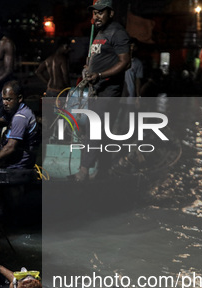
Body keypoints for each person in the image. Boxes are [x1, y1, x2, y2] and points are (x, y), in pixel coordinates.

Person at [71, 0, 130, 181]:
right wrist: (88, 68)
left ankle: (83, 171)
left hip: (108, 92)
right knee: (100, 132)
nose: (96, 16)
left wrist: (100, 74)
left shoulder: (118, 33)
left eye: (100, 12)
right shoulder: (99, 34)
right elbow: (96, 59)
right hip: (96, 91)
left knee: (94, 130)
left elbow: (125, 62)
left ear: (110, 13)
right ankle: (103, 171)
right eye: (94, 13)